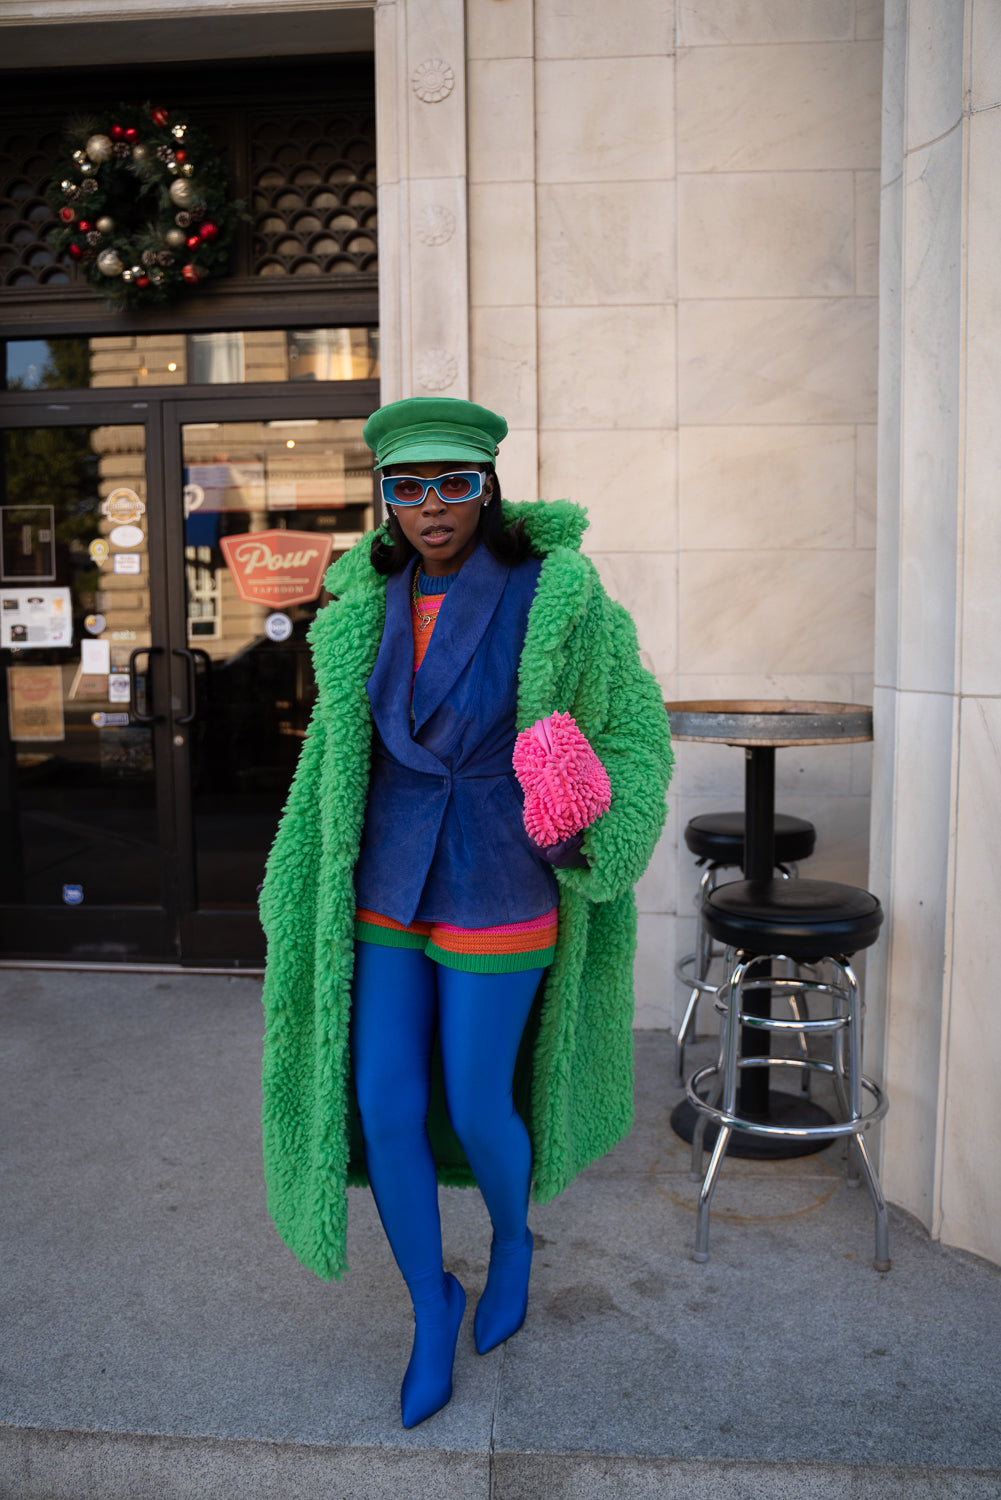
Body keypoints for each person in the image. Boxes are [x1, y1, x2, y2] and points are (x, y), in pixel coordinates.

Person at [259, 396, 672, 1428]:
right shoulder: (360, 598)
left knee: (483, 1104)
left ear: (488, 487)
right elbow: (333, 758)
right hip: (385, 877)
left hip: (502, 872)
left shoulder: (559, 596)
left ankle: (511, 1242)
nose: (430, 506)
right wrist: (295, 876)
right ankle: (428, 1305)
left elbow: (635, 736)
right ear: (383, 497)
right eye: (407, 485)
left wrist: (591, 831)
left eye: (453, 482)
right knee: (386, 1103)